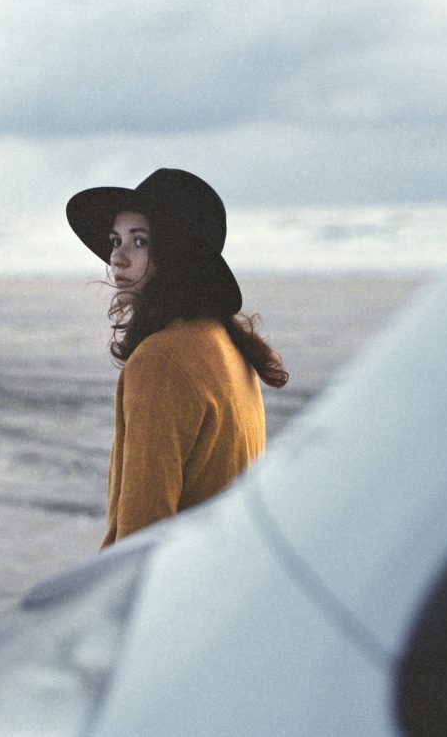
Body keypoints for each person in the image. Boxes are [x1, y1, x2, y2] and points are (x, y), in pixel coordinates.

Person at [66, 168, 288, 548]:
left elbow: (140, 531)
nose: (116, 258)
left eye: (139, 241)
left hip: (177, 594)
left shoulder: (160, 362)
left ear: (176, 253)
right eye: (115, 240)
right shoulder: (227, 344)